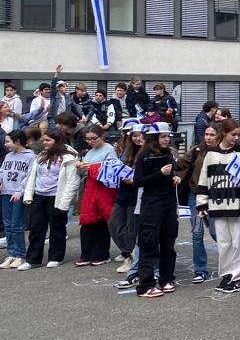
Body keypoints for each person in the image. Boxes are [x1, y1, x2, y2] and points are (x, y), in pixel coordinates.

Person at [196, 118, 240, 293]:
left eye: (238, 135)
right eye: (233, 134)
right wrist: (201, 205)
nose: (236, 138)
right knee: (224, 243)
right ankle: (227, 274)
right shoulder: (210, 154)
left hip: (236, 204)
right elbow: (204, 180)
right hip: (217, 204)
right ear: (224, 133)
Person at [21, 128, 80, 269]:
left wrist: (64, 204)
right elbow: (33, 177)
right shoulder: (41, 155)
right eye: (44, 139)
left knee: (57, 228)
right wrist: (28, 195)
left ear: (57, 141)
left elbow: (72, 182)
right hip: (40, 196)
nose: (44, 142)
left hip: (56, 197)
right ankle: (33, 259)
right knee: (36, 228)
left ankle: (56, 256)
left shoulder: (68, 158)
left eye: (48, 140)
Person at [133, 122, 180, 297]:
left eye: (168, 136)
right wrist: (160, 174)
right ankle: (145, 285)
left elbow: (174, 172)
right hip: (151, 202)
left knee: (168, 241)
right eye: (163, 136)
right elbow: (138, 182)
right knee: (149, 242)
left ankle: (167, 279)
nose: (167, 139)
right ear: (154, 138)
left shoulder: (169, 153)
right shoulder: (144, 155)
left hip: (168, 201)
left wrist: (175, 177)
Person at [175, 124, 219, 283]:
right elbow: (179, 164)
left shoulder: (222, 152)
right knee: (197, 233)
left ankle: (231, 264)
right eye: (206, 134)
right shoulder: (196, 151)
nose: (208, 137)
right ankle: (200, 269)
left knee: (216, 233)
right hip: (196, 195)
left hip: (216, 197)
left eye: (212, 135)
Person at [74, 125, 116, 266]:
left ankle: (101, 254)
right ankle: (86, 253)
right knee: (87, 221)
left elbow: (111, 170)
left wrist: (90, 167)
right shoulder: (90, 152)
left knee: (101, 222)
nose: (91, 142)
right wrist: (81, 167)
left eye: (94, 139)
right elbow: (83, 173)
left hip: (103, 189)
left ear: (101, 136)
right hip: (90, 188)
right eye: (88, 139)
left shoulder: (109, 150)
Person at [110, 122, 145, 287]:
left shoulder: (148, 152)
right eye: (134, 135)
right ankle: (131, 252)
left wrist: (135, 180)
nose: (137, 138)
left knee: (132, 228)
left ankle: (132, 258)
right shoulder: (126, 151)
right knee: (114, 224)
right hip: (123, 193)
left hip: (136, 195)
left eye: (140, 135)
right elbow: (121, 167)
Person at [0, 129, 34, 269]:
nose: (6, 144)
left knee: (16, 225)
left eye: (8, 141)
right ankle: (12, 254)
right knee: (7, 225)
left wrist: (20, 191)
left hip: (18, 194)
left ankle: (19, 254)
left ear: (18, 141)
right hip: (5, 192)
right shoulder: (8, 156)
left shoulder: (30, 157)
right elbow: (2, 171)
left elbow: (29, 176)